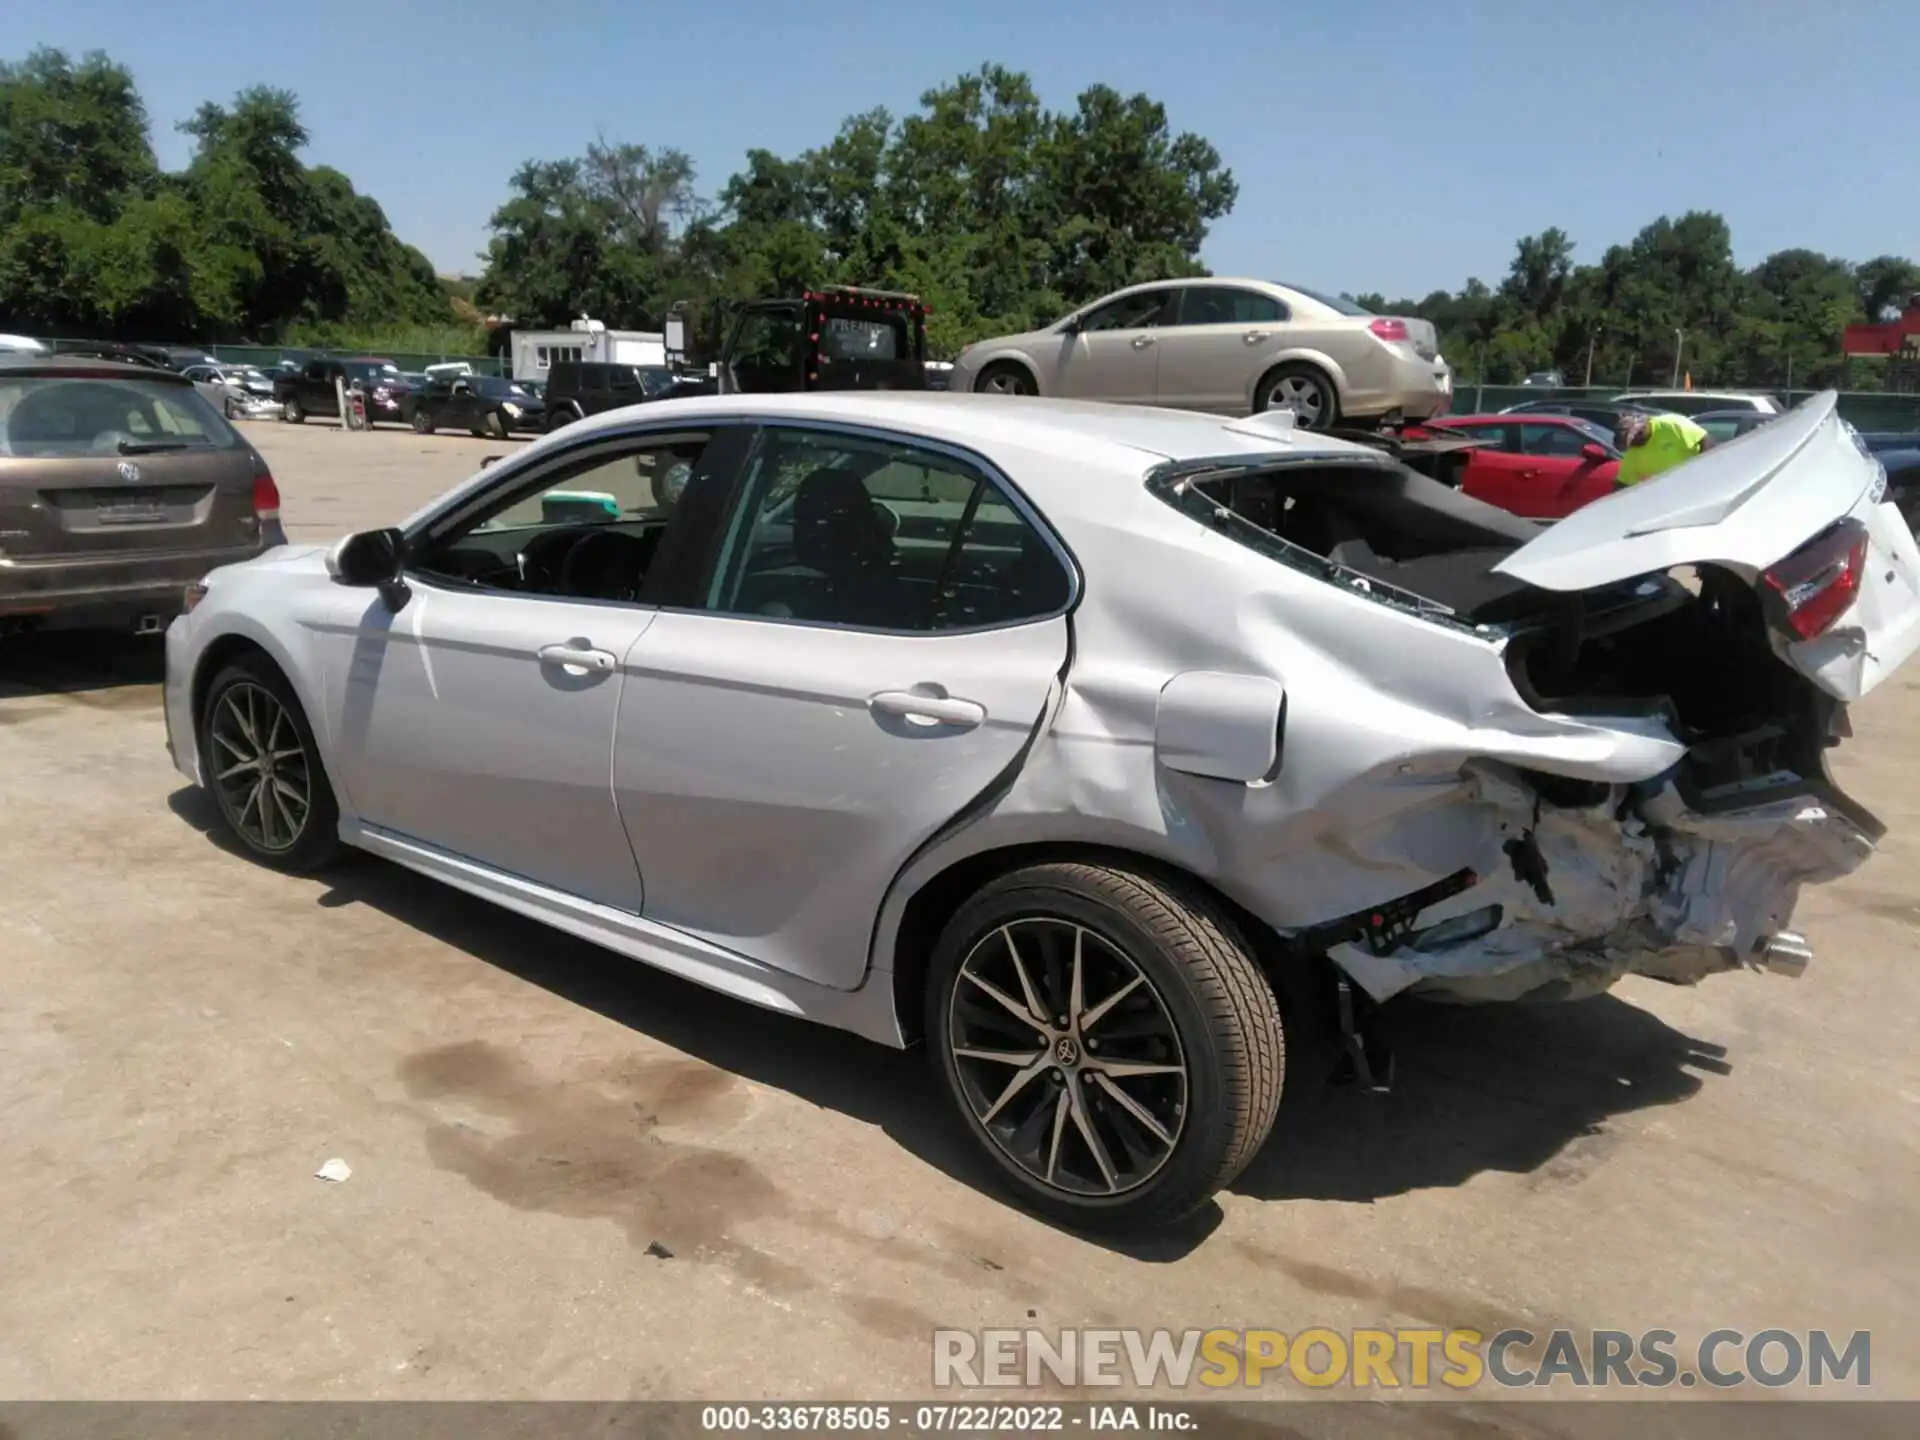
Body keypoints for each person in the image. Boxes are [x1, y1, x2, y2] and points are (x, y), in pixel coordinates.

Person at [1613, 410, 1712, 487]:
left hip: (1693, 484)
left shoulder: (1671, 424)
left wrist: (1703, 473)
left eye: (1632, 441)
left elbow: (1704, 439)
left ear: (1641, 431)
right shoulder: (1633, 452)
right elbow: (1623, 483)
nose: (1633, 447)